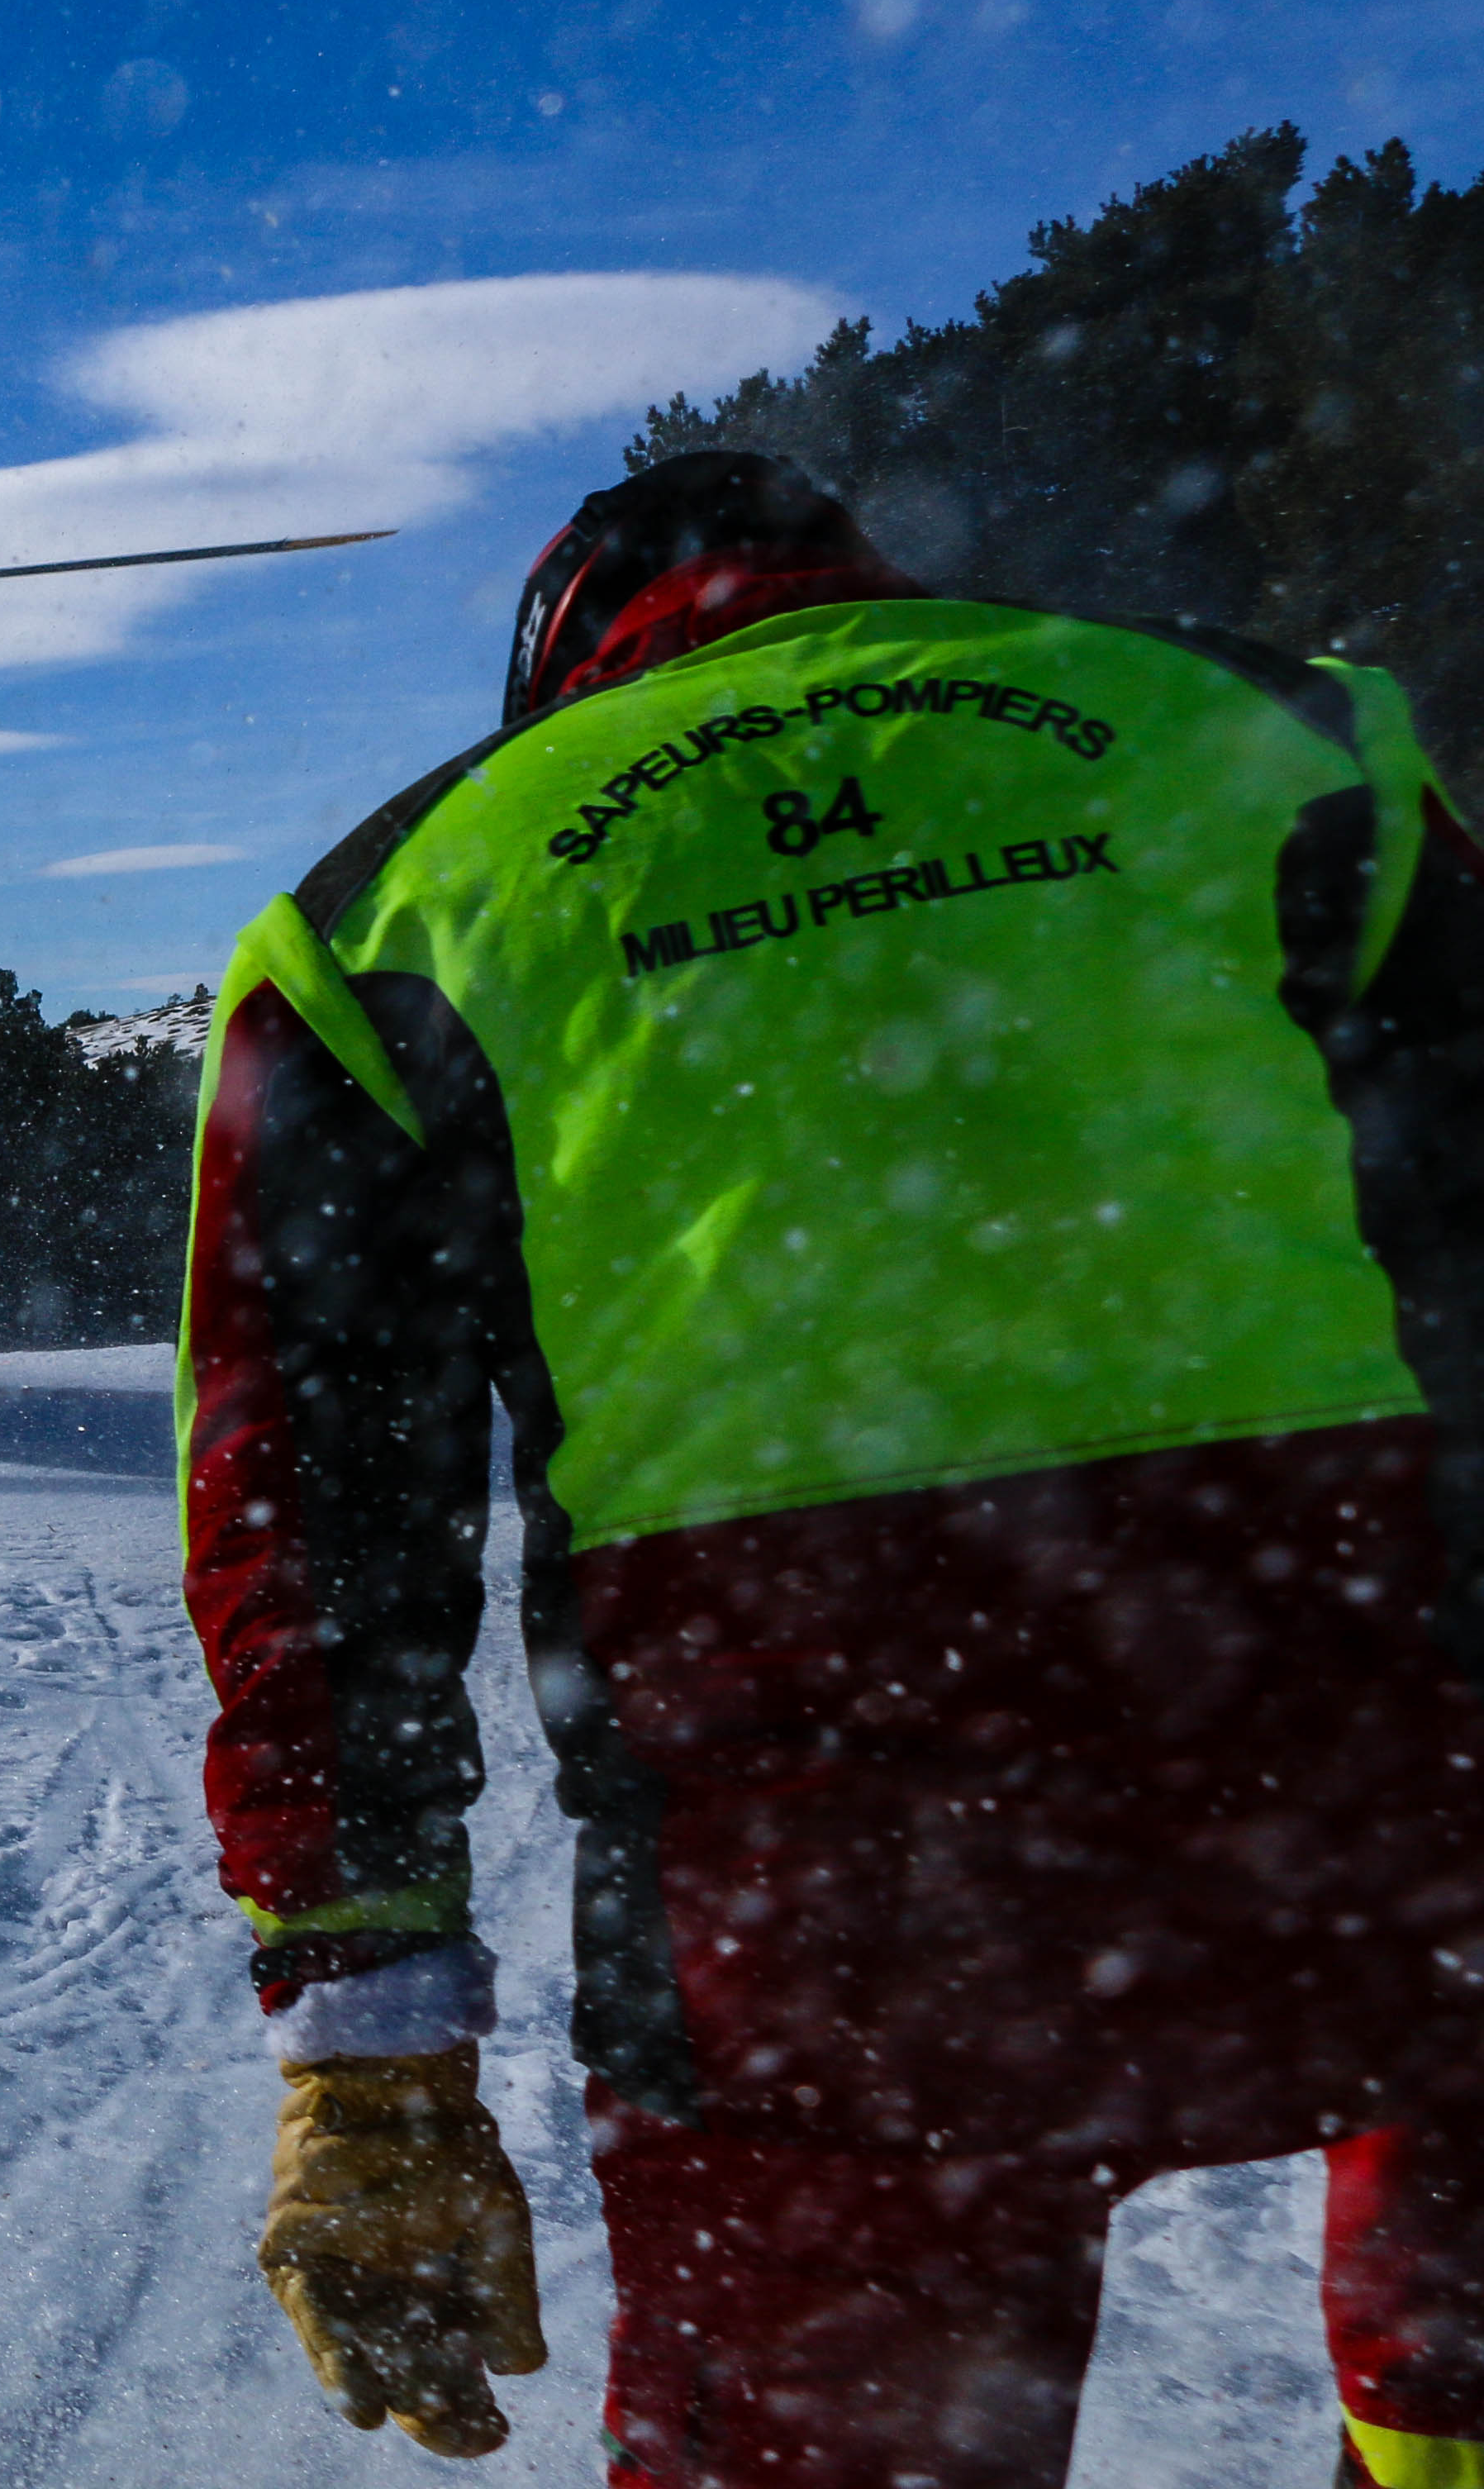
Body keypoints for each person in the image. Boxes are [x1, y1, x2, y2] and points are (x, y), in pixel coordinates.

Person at [178, 449, 1484, 2482]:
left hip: (818, 1896)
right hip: (1350, 1768)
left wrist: (368, 2045)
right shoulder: (1284, 738)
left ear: (559, 678)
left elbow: (307, 1528)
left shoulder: (390, 911)